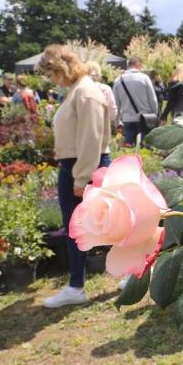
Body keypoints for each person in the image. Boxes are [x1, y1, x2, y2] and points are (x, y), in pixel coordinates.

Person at [38, 44, 111, 308]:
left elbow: (91, 138)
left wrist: (82, 178)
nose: (51, 80)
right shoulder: (77, 91)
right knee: (79, 227)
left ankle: (123, 275)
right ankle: (76, 285)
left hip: (83, 166)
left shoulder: (85, 92)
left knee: (104, 222)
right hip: (76, 166)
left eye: (51, 74)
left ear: (61, 68)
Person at [112, 57, 158, 146]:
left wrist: (117, 121)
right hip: (145, 118)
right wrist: (154, 114)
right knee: (145, 149)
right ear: (138, 65)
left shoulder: (118, 80)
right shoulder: (145, 78)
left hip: (127, 119)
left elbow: (116, 104)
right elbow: (153, 99)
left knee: (128, 148)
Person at [87, 62, 117, 129]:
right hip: (101, 123)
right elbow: (112, 107)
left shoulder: (78, 89)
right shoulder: (105, 89)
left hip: (83, 125)